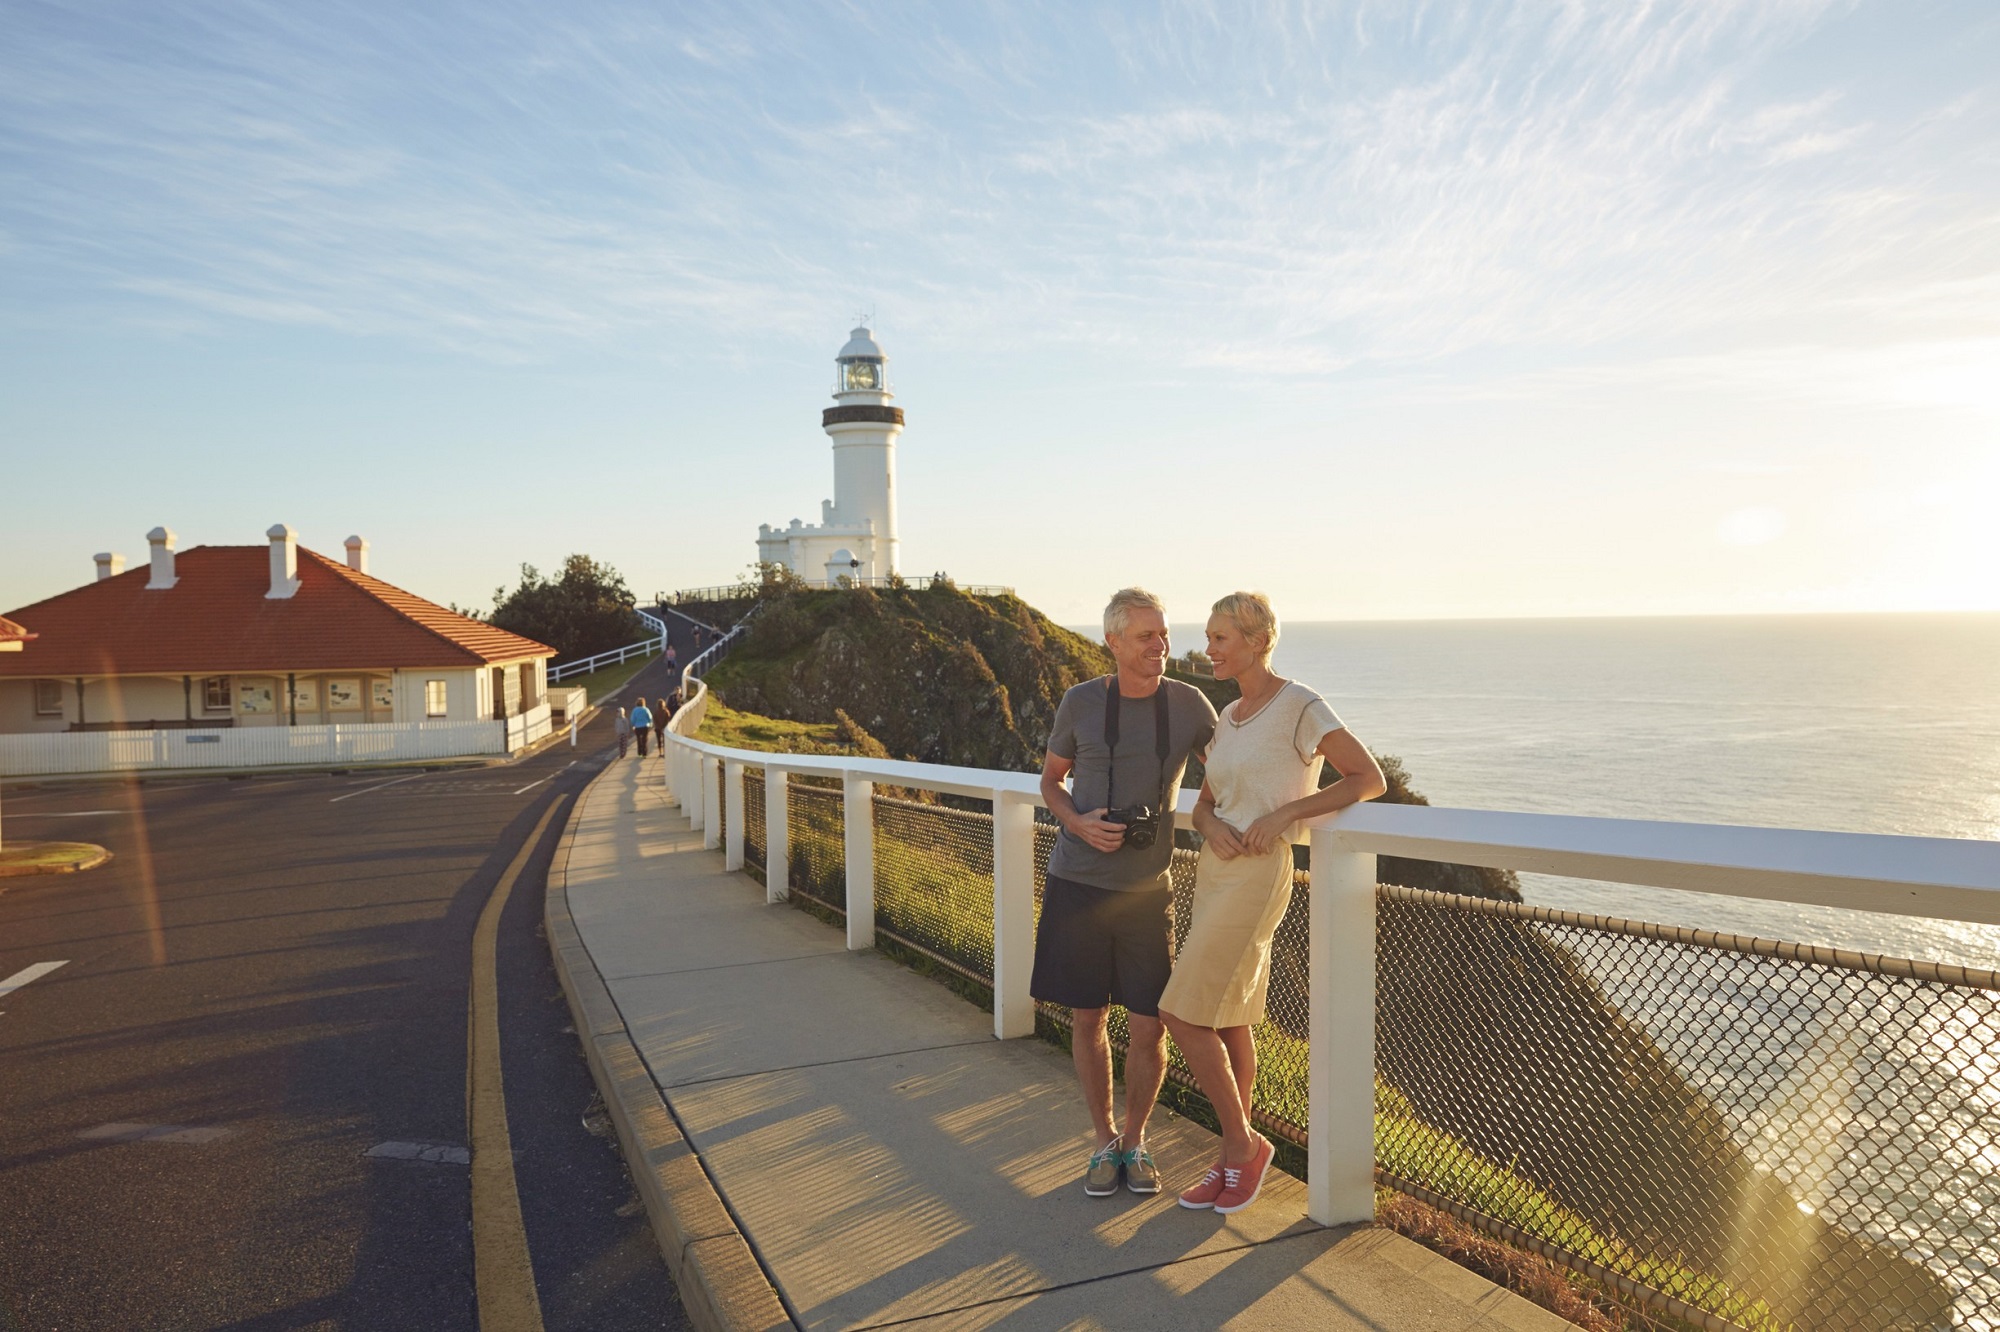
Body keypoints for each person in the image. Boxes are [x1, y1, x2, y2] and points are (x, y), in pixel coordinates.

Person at [1160, 592, 1386, 1215]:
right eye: (1208, 637)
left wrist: (1288, 813)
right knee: (1227, 1014)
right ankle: (1232, 1155)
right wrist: (1208, 827)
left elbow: (1367, 779)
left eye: (1221, 638)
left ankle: (1243, 1145)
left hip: (1261, 874)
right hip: (1214, 870)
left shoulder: (1300, 706)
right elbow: (1204, 802)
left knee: (1182, 1012)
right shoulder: (1229, 715)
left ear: (1259, 639)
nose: (1208, 649)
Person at [1035, 588, 1218, 1197]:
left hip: (1147, 890)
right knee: (1087, 1017)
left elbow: (1233, 768)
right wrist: (1077, 821)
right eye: (1146, 636)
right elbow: (1050, 781)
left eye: (1163, 634)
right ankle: (1101, 1142)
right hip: (1076, 883)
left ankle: (1136, 1141)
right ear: (1113, 641)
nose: (1160, 646)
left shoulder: (1190, 704)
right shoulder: (1081, 702)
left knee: (1149, 1027)